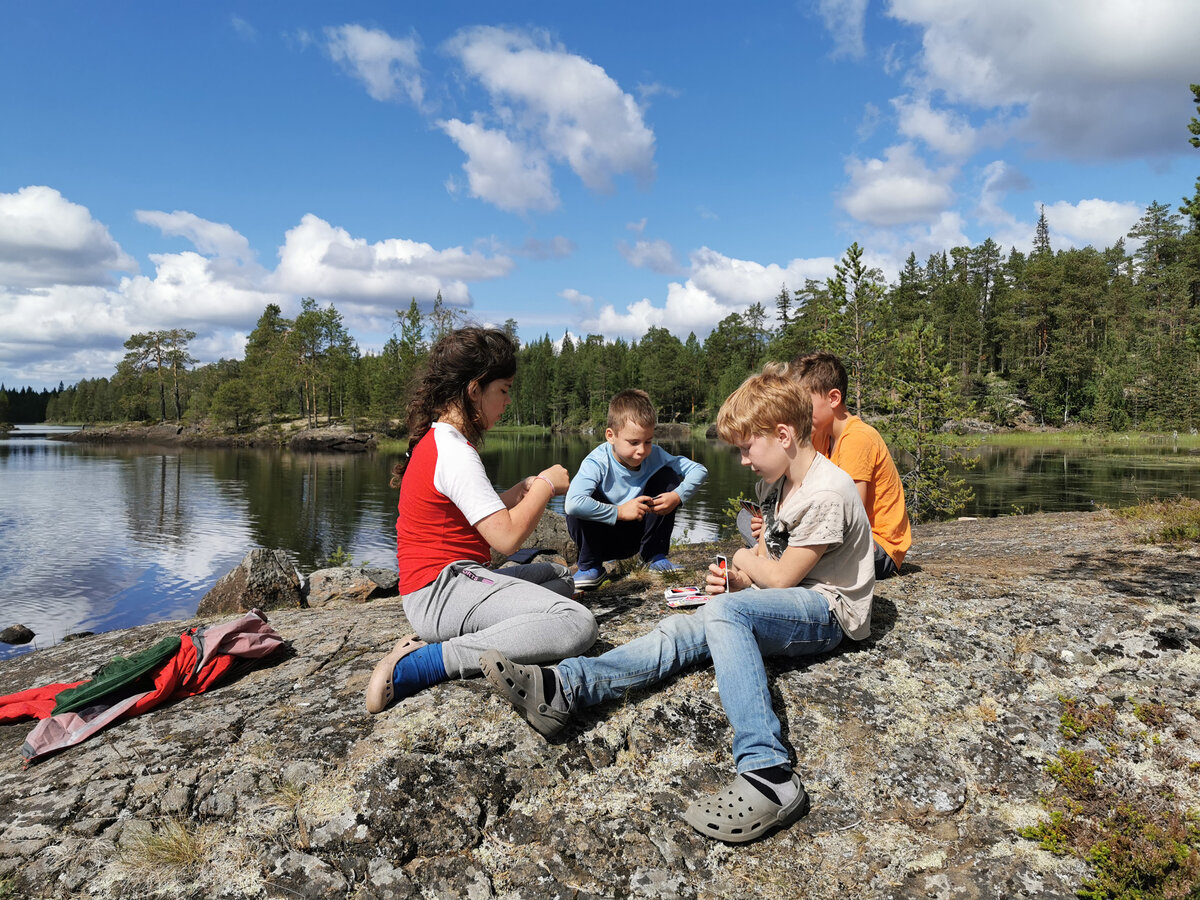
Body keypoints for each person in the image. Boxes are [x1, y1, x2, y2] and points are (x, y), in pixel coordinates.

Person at [480, 369, 875, 843]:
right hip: (785, 601)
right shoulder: (778, 483)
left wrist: (747, 561)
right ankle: (566, 687)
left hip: (828, 611)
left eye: (747, 448)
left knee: (726, 614)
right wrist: (739, 577)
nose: (744, 460)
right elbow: (771, 568)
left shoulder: (827, 490)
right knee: (682, 630)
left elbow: (786, 576)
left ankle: (770, 773)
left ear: (785, 436)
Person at [365, 327, 598, 714]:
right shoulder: (455, 452)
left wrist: (515, 493)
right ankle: (422, 664)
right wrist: (543, 486)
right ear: (475, 389)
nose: (507, 401)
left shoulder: (443, 441)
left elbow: (469, 516)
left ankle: (470, 634)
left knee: (557, 579)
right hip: (442, 592)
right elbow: (506, 539)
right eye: (503, 390)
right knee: (577, 622)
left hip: (442, 586)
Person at [564, 389, 708, 589]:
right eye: (633, 443)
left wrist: (677, 496)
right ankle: (590, 567)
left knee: (667, 476)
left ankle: (653, 557)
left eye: (648, 441)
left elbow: (699, 470)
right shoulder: (596, 461)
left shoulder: (655, 455)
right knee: (580, 501)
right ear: (610, 435)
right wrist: (620, 511)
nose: (642, 450)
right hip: (601, 539)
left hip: (636, 538)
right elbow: (572, 505)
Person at [793, 352, 911, 579]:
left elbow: (850, 516)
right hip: (841, 538)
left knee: (793, 558)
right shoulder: (820, 437)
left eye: (805, 403)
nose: (800, 413)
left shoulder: (858, 438)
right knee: (750, 522)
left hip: (878, 548)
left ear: (834, 398)